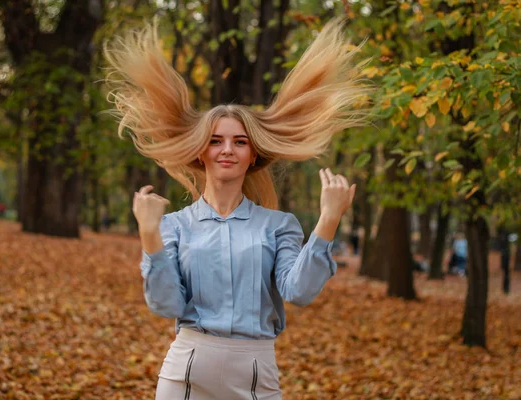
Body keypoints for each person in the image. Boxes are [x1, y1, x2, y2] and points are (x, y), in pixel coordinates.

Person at [105, 18, 368, 399]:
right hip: (186, 372)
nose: (227, 149)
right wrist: (149, 235)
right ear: (201, 151)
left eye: (239, 142)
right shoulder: (175, 226)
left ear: (253, 154)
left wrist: (328, 220)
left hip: (256, 374)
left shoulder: (279, 226)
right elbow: (167, 304)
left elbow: (298, 292)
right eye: (216, 141)